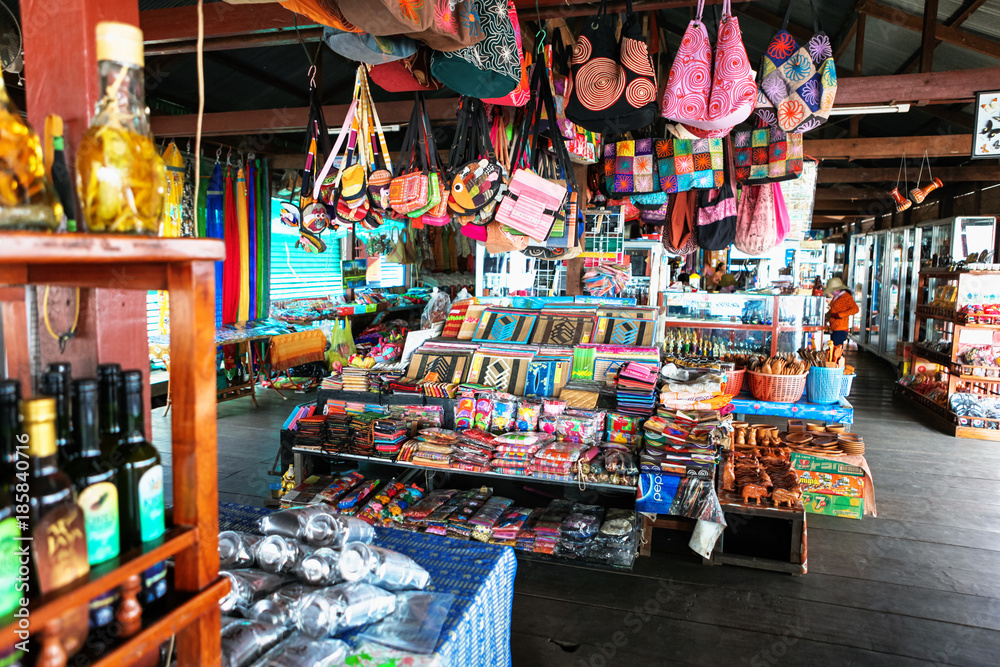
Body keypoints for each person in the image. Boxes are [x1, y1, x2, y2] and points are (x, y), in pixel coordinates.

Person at [824, 277, 859, 360]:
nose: (831, 293)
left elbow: (855, 309)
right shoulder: (837, 297)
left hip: (840, 328)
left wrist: (840, 315)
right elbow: (833, 310)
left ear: (837, 289)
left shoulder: (846, 297)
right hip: (834, 327)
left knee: (837, 351)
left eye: (832, 290)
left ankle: (838, 368)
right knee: (834, 350)